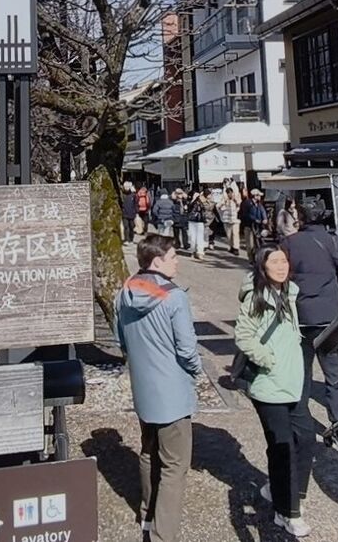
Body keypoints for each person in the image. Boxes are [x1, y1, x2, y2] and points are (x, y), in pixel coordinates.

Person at [114, 235, 203, 542]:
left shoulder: (125, 292)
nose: (177, 262)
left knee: (149, 451)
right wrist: (196, 370)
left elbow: (121, 340)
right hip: (173, 391)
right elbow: (187, 349)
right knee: (175, 465)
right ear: (156, 262)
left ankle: (147, 515)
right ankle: (163, 534)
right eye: (173, 257)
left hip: (144, 387)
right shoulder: (174, 297)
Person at [235, 246, 311, 537]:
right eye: (274, 262)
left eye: (284, 261)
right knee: (283, 448)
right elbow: (243, 336)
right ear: (262, 266)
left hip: (293, 382)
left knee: (306, 439)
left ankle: (285, 492)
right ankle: (288, 512)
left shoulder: (290, 292)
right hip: (268, 385)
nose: (281, 266)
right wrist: (268, 360)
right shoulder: (256, 297)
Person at [284, 204, 338, 436]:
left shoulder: (289, 243)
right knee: (334, 373)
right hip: (330, 315)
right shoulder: (335, 242)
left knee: (301, 372)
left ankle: (300, 423)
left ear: (302, 218)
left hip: (299, 315)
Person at [189, 190, 214, 260]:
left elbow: (206, 209)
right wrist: (194, 200)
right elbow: (189, 208)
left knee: (199, 237)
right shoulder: (192, 203)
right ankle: (194, 251)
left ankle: (199, 252)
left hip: (199, 221)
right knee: (193, 238)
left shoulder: (202, 202)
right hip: (193, 221)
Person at [218, 186, 242, 254]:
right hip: (226, 220)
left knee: (235, 234)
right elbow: (218, 207)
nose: (230, 194)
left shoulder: (236, 199)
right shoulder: (223, 200)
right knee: (229, 235)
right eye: (228, 193)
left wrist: (234, 200)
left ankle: (236, 248)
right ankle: (231, 246)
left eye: (231, 193)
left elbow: (239, 206)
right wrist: (224, 202)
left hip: (235, 220)